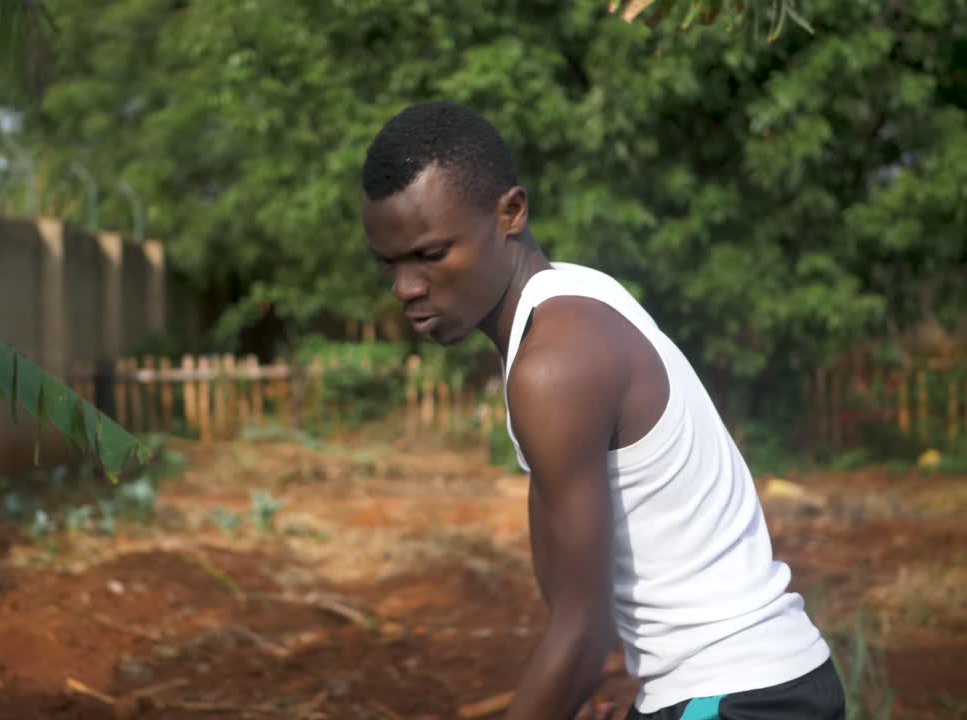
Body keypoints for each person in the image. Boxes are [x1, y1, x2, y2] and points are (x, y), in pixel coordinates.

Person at [358, 101, 845, 720]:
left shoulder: (555, 365)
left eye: (430, 255)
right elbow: (572, 603)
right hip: (763, 687)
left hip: (738, 697)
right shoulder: (576, 295)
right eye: (390, 263)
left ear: (511, 212)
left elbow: (582, 637)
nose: (405, 287)